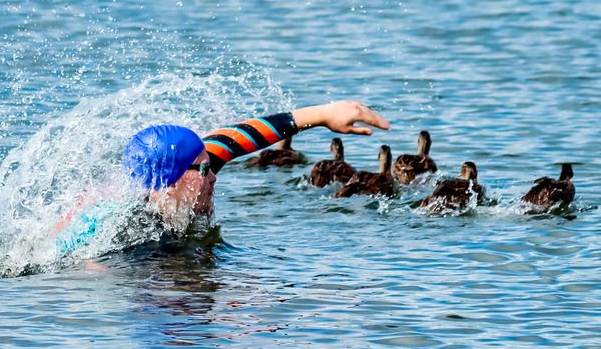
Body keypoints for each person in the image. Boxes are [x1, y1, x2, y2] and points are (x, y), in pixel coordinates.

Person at [56, 100, 389, 254]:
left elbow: (238, 136)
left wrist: (323, 114)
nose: (213, 175)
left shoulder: (185, 171)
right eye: (204, 169)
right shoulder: (127, 230)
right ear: (170, 182)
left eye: (211, 165)